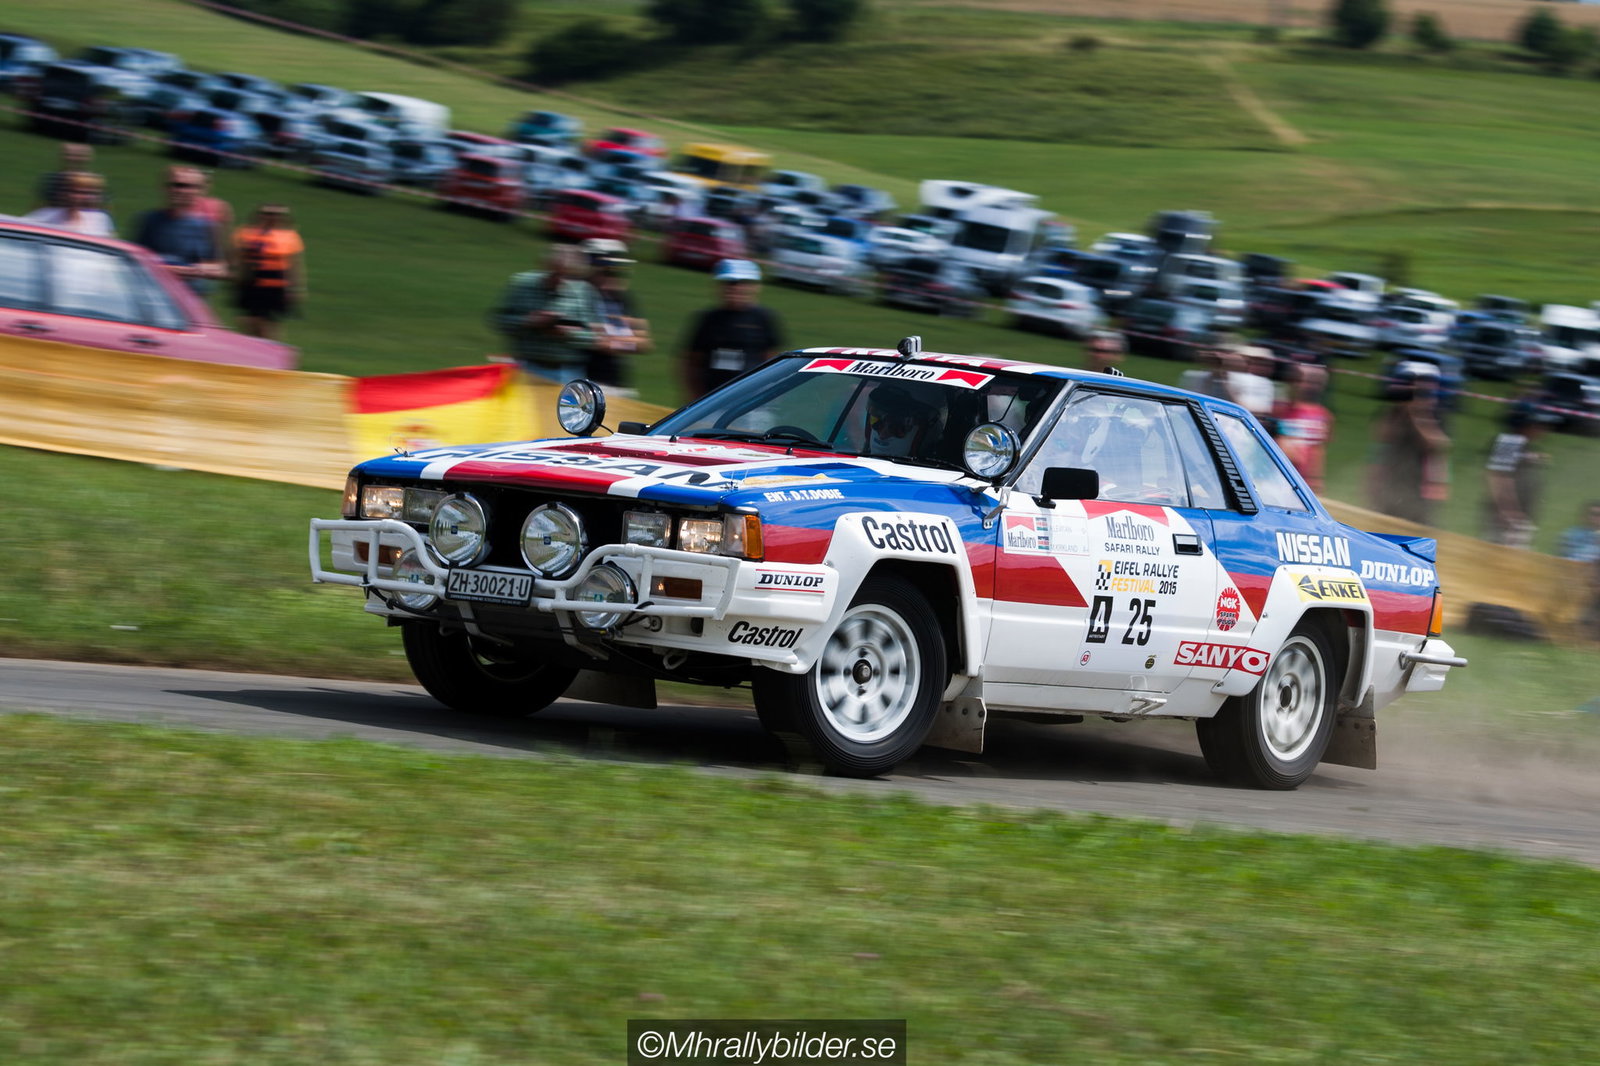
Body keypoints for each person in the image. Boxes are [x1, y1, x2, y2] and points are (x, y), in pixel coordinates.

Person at [490, 244, 601, 384]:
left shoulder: (585, 292)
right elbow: (499, 320)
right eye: (555, 273)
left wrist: (567, 333)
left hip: (569, 372)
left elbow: (596, 336)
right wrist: (528, 321)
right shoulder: (522, 284)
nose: (560, 280)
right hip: (528, 367)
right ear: (544, 266)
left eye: (567, 275)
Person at [680, 259, 785, 400]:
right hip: (711, 399)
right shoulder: (708, 319)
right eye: (729, 283)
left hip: (749, 400)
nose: (735, 288)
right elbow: (691, 362)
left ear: (753, 287)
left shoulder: (763, 318)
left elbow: (772, 362)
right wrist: (694, 397)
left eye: (741, 283)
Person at [1367, 362, 1450, 525]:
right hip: (1390, 485)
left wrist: (1417, 415)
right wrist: (1401, 409)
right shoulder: (1394, 413)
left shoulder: (1436, 417)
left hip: (1419, 492)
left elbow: (1436, 444)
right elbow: (1382, 437)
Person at [133, 165, 227, 295]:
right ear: (164, 188)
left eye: (186, 186)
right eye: (175, 185)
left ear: (199, 191)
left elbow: (221, 269)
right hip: (153, 295)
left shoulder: (207, 227)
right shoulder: (149, 220)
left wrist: (198, 270)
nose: (178, 190)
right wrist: (170, 269)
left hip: (186, 302)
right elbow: (133, 260)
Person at [581, 238, 650, 392]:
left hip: (617, 382)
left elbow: (643, 343)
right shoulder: (579, 296)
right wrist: (624, 340)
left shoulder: (622, 298)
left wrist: (613, 341)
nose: (614, 275)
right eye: (607, 269)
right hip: (584, 381)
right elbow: (597, 342)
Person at [232, 203, 306, 341]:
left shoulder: (289, 236)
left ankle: (271, 350)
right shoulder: (245, 233)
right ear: (259, 215)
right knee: (248, 321)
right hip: (251, 283)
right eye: (268, 213)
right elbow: (239, 258)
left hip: (275, 286)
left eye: (277, 214)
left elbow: (295, 264)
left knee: (269, 325)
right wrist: (237, 280)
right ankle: (252, 349)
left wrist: (295, 289)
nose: (272, 217)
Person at [1484, 409, 1551, 549]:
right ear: (1527, 427)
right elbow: (1497, 476)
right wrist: (1507, 510)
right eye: (1538, 426)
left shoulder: (1522, 444)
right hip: (1508, 515)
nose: (1543, 430)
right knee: (1497, 553)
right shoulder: (1509, 442)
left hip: (1520, 515)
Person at [1272, 363, 1333, 492]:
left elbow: (1319, 450)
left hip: (1304, 483)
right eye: (1303, 381)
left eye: (1315, 383)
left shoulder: (1324, 415)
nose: (1309, 386)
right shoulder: (1280, 410)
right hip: (1277, 477)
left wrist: (1316, 480)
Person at [23, 172, 115, 237]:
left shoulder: (100, 219)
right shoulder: (43, 216)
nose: (83, 197)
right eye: (75, 191)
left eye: (87, 193)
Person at [35, 143, 105, 211]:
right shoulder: (53, 179)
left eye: (79, 155)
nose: (75, 158)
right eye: (70, 155)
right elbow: (40, 205)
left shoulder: (93, 181)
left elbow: (98, 208)